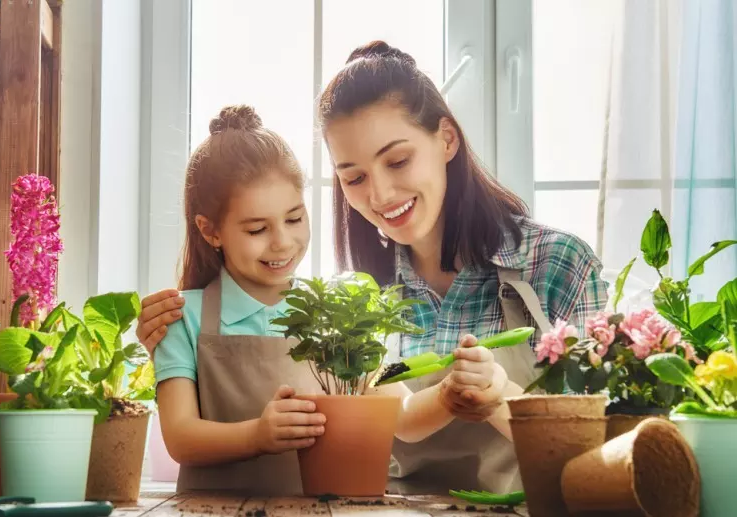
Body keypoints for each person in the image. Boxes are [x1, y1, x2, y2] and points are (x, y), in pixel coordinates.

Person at [142, 42, 608, 495]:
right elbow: (398, 419)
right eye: (355, 177)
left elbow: (597, 452)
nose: (381, 194)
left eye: (398, 160)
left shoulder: (556, 265)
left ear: (447, 138)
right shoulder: (358, 301)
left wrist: (500, 396)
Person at [152, 104, 509, 496]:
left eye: (294, 219)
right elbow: (181, 437)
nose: (282, 242)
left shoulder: (335, 315)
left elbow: (402, 418)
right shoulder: (182, 319)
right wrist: (257, 435)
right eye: (257, 229)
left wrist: (449, 393)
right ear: (211, 230)